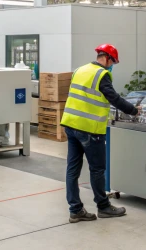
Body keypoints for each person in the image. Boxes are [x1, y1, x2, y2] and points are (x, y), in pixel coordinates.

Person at [60, 44, 139, 224]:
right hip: (89, 129)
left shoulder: (79, 70)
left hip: (71, 125)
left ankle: (75, 210)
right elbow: (114, 98)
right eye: (113, 62)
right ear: (108, 58)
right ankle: (103, 207)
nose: (112, 66)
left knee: (72, 169)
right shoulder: (101, 75)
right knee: (97, 169)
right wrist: (134, 111)